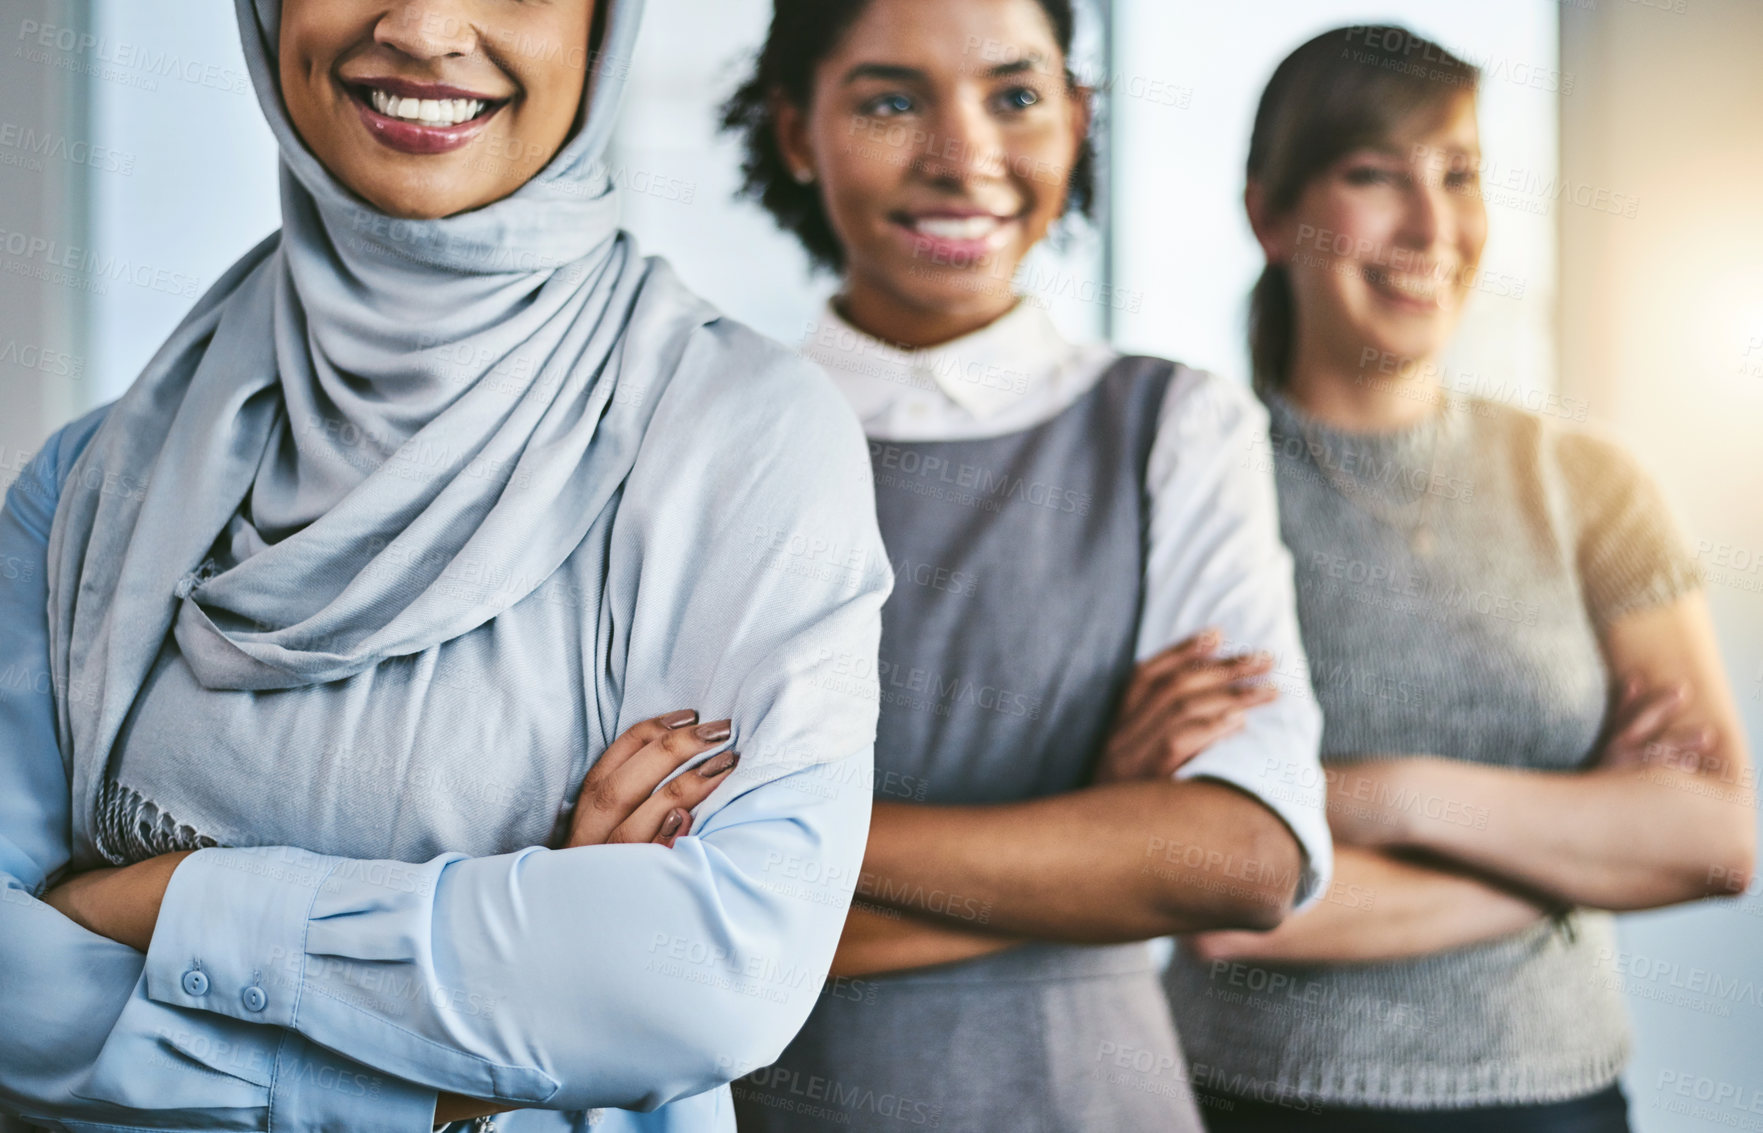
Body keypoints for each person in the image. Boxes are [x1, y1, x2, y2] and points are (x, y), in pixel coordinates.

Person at [0, 1, 893, 1130]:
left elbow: (711, 972)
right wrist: (443, 1077)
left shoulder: (736, 434)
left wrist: (154, 898)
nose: (424, 28)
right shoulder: (95, 475)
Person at [719, 1, 1332, 1128]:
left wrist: (774, 841)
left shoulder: (1173, 425)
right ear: (796, 131)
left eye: (1014, 95)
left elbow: (1245, 860)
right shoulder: (702, 435)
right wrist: (1098, 829)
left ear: (1078, 118)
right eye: (891, 100)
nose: (964, 159)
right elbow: (634, 899)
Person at [1159, 26, 1757, 1132]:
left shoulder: (1587, 482)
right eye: (1374, 175)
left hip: (1557, 1103)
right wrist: (1583, 849)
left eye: (1458, 174)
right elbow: (1235, 906)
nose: (1430, 228)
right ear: (1268, 214)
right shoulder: (1201, 485)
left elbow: (1712, 838)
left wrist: (1368, 795)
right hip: (1257, 1099)